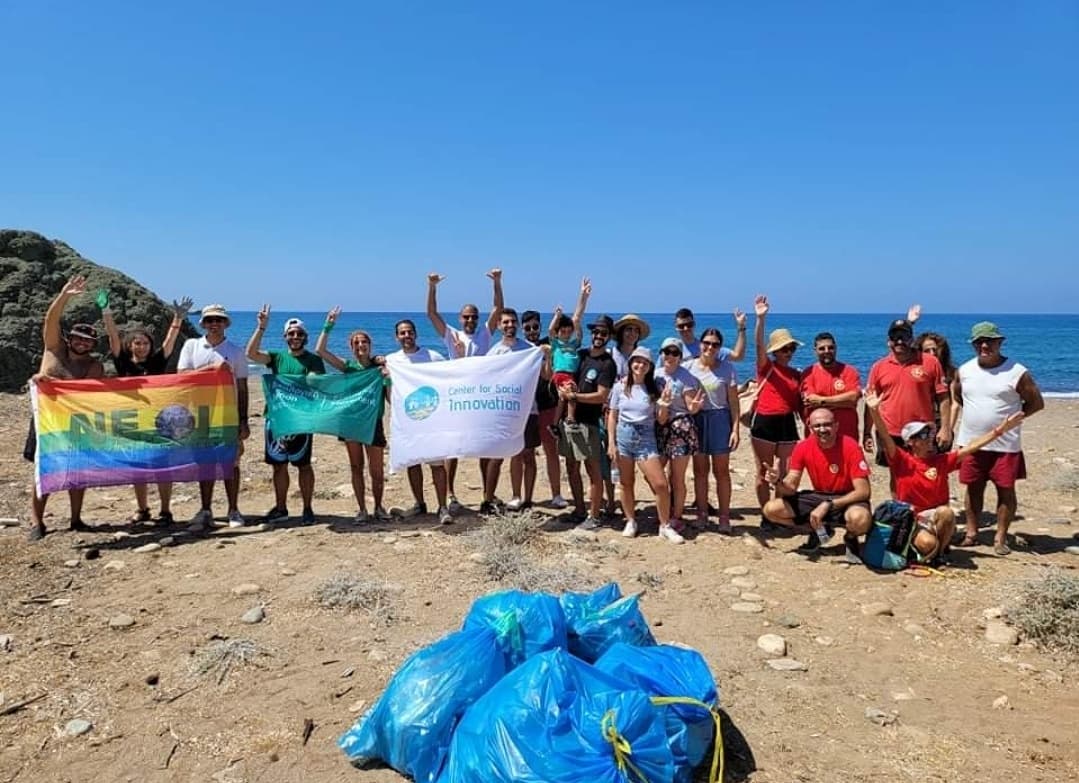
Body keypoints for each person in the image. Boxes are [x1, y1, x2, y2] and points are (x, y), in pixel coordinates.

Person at [865, 389, 1024, 563]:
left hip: (937, 518)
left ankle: (938, 553)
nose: (929, 438)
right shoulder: (902, 460)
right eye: (923, 435)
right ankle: (924, 546)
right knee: (927, 544)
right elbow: (885, 437)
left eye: (930, 433)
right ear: (911, 442)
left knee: (946, 513)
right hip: (911, 518)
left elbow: (971, 447)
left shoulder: (941, 461)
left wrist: (1000, 431)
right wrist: (874, 411)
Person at [101, 291, 193, 525]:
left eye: (145, 343)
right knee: (138, 467)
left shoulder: (157, 361)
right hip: (131, 419)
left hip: (159, 419)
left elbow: (170, 341)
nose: (142, 347)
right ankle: (142, 509)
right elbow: (112, 335)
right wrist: (106, 310)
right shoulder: (122, 361)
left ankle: (166, 511)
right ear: (130, 345)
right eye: (137, 343)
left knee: (163, 465)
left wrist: (178, 318)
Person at [26, 275, 106, 541]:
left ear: (93, 345)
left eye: (88, 341)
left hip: (76, 422)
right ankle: (37, 523)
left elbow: (90, 393)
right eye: (78, 338)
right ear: (69, 338)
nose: (82, 343)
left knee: (78, 469)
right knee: (44, 468)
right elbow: (51, 320)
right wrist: (64, 296)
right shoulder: (53, 349)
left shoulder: (93, 366)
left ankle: (76, 519)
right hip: (46, 419)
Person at [954, 322, 1044, 555]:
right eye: (979, 342)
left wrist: (1014, 420)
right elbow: (959, 397)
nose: (984, 346)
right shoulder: (964, 370)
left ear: (1000, 342)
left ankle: (1000, 537)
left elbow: (1036, 402)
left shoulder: (1017, 371)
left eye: (990, 341)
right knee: (973, 488)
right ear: (973, 344)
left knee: (1005, 490)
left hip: (1006, 445)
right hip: (972, 443)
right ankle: (971, 533)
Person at [425, 268, 505, 512]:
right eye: (466, 317)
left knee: (485, 446)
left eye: (473, 317)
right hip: (456, 396)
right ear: (460, 318)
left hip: (480, 397)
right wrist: (432, 287)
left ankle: (487, 494)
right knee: (452, 447)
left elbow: (498, 309)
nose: (470, 321)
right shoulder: (452, 335)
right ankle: (450, 494)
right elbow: (431, 314)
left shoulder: (484, 334)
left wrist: (497, 282)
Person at [247, 307, 326, 525]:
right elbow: (251, 354)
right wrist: (261, 327)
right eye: (291, 334)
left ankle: (307, 509)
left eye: (299, 333)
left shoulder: (314, 360)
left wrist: (311, 379)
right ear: (285, 337)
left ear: (305, 337)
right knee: (278, 464)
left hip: (301, 420)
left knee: (303, 465)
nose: (295, 337)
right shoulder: (276, 357)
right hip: (276, 419)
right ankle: (281, 508)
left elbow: (317, 384)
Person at [177, 304, 250, 532]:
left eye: (218, 320)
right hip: (200, 413)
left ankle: (233, 509)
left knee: (232, 462)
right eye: (210, 320)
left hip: (227, 413)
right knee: (204, 462)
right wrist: (212, 369)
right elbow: (182, 376)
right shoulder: (192, 346)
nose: (214, 324)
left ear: (225, 323)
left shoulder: (236, 351)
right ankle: (206, 509)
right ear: (204, 324)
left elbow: (242, 387)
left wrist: (243, 420)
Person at [761, 408, 873, 557]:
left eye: (827, 424)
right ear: (810, 427)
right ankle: (819, 530)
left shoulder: (850, 446)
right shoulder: (803, 447)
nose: (822, 429)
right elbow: (791, 487)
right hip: (820, 496)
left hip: (847, 497)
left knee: (860, 519)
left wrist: (829, 504)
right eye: (817, 426)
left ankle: (851, 537)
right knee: (771, 509)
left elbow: (863, 491)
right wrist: (778, 482)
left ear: (836, 425)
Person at [315, 307, 391, 523]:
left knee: (377, 471)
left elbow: (390, 399)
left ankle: (378, 507)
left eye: (364, 342)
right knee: (356, 467)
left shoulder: (379, 368)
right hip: (350, 424)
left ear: (370, 345)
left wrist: (387, 378)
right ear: (351, 347)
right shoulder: (347, 367)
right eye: (356, 343)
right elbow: (320, 351)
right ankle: (362, 510)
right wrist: (328, 325)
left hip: (373, 423)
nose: (360, 345)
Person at [863, 319, 951, 481]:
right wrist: (867, 432)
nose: (899, 341)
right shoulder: (878, 367)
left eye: (904, 336)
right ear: (888, 341)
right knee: (897, 477)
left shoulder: (930, 362)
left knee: (927, 474)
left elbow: (943, 397)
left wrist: (945, 428)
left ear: (911, 339)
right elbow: (871, 403)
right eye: (895, 337)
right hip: (890, 432)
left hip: (922, 432)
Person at [607, 348, 680, 542]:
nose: (640, 365)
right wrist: (611, 442)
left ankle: (664, 525)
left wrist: (664, 405)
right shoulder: (619, 387)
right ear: (631, 363)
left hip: (646, 438)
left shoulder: (654, 388)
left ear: (650, 367)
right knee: (626, 482)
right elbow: (612, 415)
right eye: (637, 361)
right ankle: (631, 521)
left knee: (660, 484)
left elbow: (661, 420)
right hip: (624, 436)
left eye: (645, 363)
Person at [384, 319, 453, 525]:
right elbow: (389, 390)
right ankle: (419, 504)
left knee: (437, 464)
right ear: (397, 337)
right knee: (412, 462)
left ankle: (442, 507)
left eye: (410, 332)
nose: (407, 336)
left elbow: (450, 378)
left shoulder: (433, 357)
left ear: (415, 334)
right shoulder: (391, 361)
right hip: (407, 421)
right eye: (402, 333)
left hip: (432, 420)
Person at [558, 314, 617, 530]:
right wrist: (563, 390)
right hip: (570, 421)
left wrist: (575, 397)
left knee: (593, 469)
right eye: (596, 332)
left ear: (609, 336)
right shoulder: (581, 355)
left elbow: (602, 396)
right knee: (571, 467)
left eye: (603, 333)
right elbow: (566, 374)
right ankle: (580, 510)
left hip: (590, 422)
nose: (598, 336)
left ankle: (594, 515)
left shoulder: (607, 364)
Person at [483, 308, 543, 512]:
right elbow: (484, 378)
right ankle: (489, 500)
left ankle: (527, 500)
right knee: (498, 456)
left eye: (512, 322)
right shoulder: (494, 353)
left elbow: (544, 375)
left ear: (517, 324)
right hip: (503, 412)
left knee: (528, 455)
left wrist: (546, 355)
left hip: (528, 410)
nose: (509, 325)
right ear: (499, 325)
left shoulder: (529, 350)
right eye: (505, 322)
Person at [749, 295, 803, 509]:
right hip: (765, 421)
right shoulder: (766, 367)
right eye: (783, 349)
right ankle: (766, 512)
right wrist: (760, 319)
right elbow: (758, 345)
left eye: (791, 348)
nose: (788, 352)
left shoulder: (796, 374)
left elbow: (800, 403)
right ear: (775, 351)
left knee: (785, 473)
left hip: (787, 423)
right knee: (763, 471)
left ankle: (777, 510)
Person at [684, 329, 739, 531]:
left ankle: (724, 517)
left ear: (720, 347)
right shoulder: (688, 367)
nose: (710, 347)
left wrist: (735, 429)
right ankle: (702, 514)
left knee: (721, 471)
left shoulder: (727, 368)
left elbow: (733, 401)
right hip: (697, 419)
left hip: (720, 419)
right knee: (700, 471)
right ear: (700, 344)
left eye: (715, 344)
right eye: (707, 343)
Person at [654, 338, 706, 532]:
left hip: (680, 427)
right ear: (661, 353)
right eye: (667, 352)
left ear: (680, 356)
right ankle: (665, 507)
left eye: (675, 353)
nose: (670, 356)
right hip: (659, 426)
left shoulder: (686, 377)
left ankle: (676, 516)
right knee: (654, 473)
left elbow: (691, 406)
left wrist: (694, 407)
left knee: (677, 477)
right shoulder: (655, 374)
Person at [522, 309, 567, 508]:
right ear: (523, 329)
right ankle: (526, 498)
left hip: (548, 405)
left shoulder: (547, 345)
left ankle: (556, 494)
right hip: (526, 409)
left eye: (535, 327)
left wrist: (557, 317)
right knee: (527, 454)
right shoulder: (520, 350)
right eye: (528, 328)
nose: (532, 331)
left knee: (551, 452)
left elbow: (556, 332)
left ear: (539, 327)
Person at [799, 332, 862, 443]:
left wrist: (822, 401)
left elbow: (853, 398)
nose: (827, 351)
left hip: (847, 435)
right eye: (822, 348)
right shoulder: (808, 373)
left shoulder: (849, 371)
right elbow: (811, 401)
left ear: (836, 348)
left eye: (830, 347)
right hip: (817, 436)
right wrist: (843, 402)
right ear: (815, 351)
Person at [547, 278, 591, 429]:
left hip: (571, 374)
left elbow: (577, 319)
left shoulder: (574, 344)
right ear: (558, 332)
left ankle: (555, 424)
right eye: (562, 331)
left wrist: (583, 296)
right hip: (560, 373)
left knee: (562, 399)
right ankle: (571, 418)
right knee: (572, 393)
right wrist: (557, 317)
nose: (566, 334)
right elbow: (550, 330)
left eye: (568, 331)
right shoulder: (556, 344)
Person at [913, 331, 960, 447]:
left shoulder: (951, 372)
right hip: (919, 422)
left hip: (941, 422)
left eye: (935, 350)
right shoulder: (915, 371)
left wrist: (948, 429)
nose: (932, 354)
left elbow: (955, 405)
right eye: (927, 351)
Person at [674, 307, 748, 363]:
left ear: (694, 324)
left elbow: (738, 356)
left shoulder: (707, 347)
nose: (686, 328)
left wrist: (741, 327)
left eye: (689, 325)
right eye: (681, 326)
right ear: (676, 327)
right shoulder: (672, 349)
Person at [611, 314, 650, 379]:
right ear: (621, 332)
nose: (632, 333)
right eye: (629, 329)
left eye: (636, 330)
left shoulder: (642, 356)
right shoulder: (611, 354)